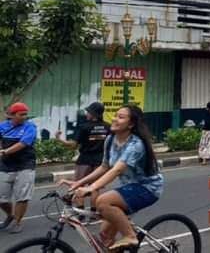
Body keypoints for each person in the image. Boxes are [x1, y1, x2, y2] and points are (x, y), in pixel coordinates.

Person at [64, 105, 163, 251]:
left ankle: (130, 236)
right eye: (116, 115)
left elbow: (117, 170)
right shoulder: (110, 140)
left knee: (103, 202)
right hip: (128, 188)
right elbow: (104, 167)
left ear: (131, 124)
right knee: (105, 236)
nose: (115, 119)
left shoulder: (135, 144)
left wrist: (92, 188)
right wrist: (79, 182)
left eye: (121, 117)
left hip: (147, 188)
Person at [55, 102, 110, 202]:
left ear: (93, 114)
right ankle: (93, 213)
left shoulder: (84, 127)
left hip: (85, 159)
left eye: (88, 112)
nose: (86, 114)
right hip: (101, 160)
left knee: (79, 184)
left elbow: (73, 145)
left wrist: (59, 139)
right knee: (95, 187)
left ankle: (80, 214)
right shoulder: (108, 127)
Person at [0, 102, 37, 234]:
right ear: (12, 115)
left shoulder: (30, 127)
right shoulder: (3, 126)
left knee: (22, 196)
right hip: (6, 165)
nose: (25, 117)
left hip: (25, 165)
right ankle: (10, 215)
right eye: (21, 114)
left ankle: (18, 221)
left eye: (26, 114)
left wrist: (4, 151)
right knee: (1, 198)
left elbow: (23, 143)